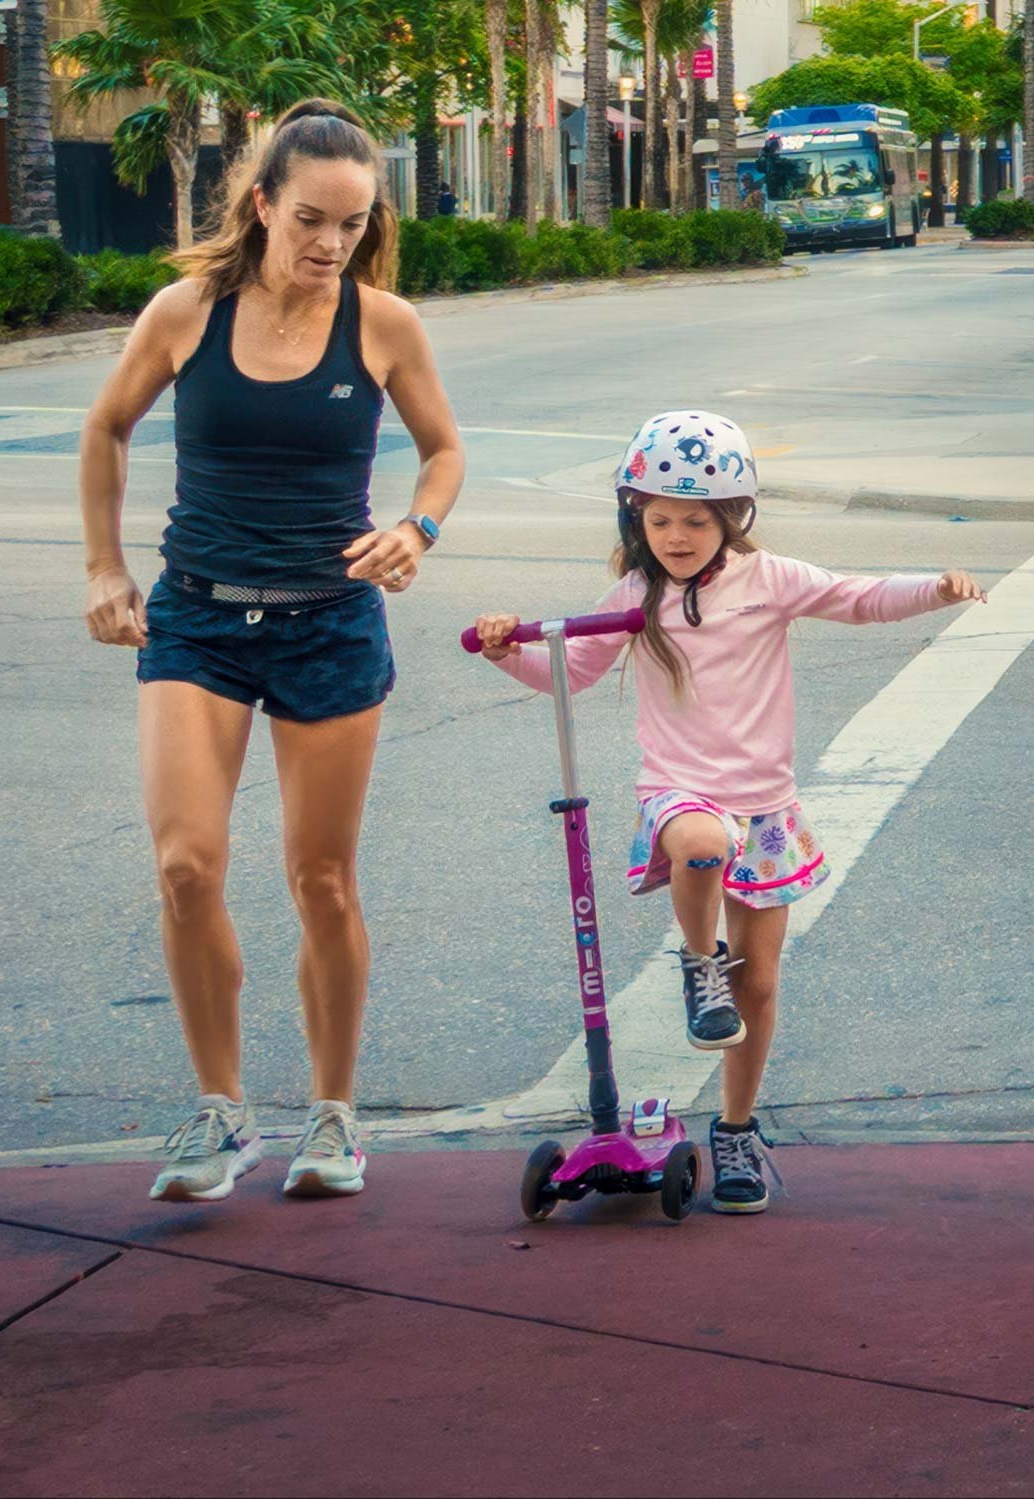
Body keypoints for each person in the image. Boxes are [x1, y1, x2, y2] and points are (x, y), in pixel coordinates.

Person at [81, 99, 465, 1205]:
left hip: (329, 620)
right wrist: (106, 569)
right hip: (198, 615)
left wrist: (415, 528)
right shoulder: (187, 311)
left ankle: (334, 1115)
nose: (330, 244)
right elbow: (106, 426)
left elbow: (443, 452)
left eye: (352, 224)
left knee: (321, 877)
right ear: (260, 203)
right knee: (186, 864)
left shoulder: (382, 324)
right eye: (310, 219)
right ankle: (221, 1110)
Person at [472, 410, 984, 1215]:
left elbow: (856, 597)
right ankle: (696, 961)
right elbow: (564, 670)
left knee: (761, 988)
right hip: (679, 790)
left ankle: (737, 1131)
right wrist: (507, 648)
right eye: (659, 518)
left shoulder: (767, 578)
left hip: (766, 803)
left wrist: (934, 587)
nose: (676, 534)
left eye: (695, 520)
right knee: (702, 845)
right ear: (633, 517)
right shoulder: (634, 593)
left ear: (731, 519)